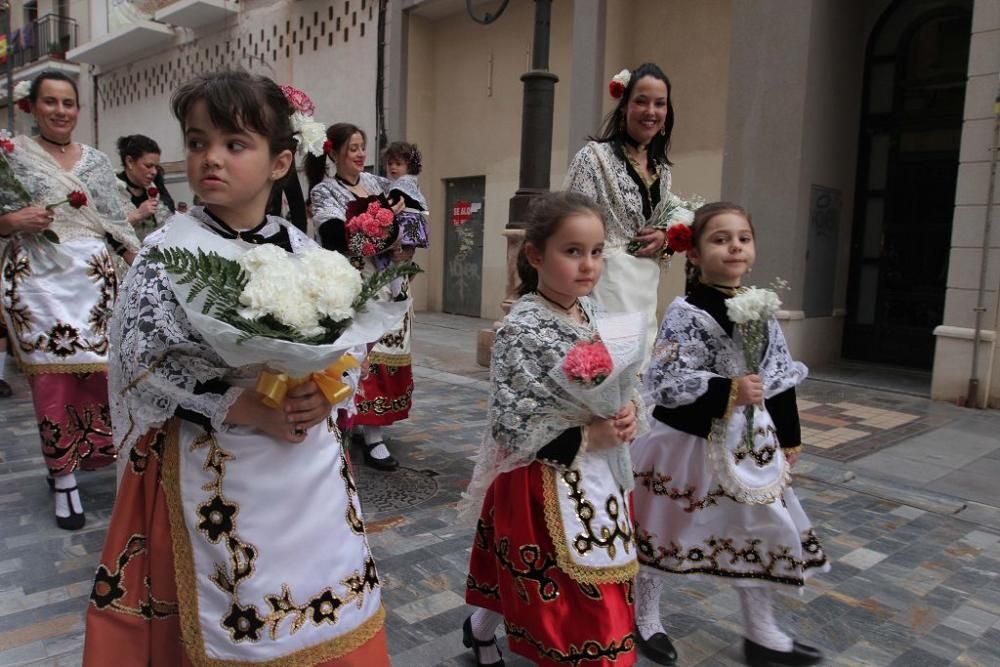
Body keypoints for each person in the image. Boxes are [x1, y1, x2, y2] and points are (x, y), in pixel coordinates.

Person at [82, 70, 389, 666]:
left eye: (234, 144)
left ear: (280, 162)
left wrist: (328, 392)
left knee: (318, 594)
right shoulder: (166, 252)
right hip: (209, 453)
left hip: (305, 465)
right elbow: (141, 360)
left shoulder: (304, 250)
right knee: (218, 607)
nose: (210, 159)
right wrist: (237, 402)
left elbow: (349, 343)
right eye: (197, 143)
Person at [629, 202, 827, 667]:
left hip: (750, 448)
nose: (734, 246)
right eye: (720, 239)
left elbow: (778, 377)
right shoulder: (686, 311)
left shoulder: (760, 308)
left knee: (762, 528)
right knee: (662, 529)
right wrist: (727, 389)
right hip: (685, 445)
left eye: (743, 237)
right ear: (694, 253)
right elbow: (664, 380)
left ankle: (762, 633)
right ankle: (646, 616)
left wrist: (789, 438)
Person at [462, 192, 642, 667]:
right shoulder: (522, 328)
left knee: (589, 576)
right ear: (536, 255)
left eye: (597, 252)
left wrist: (627, 412)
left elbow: (623, 382)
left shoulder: (597, 315)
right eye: (573, 251)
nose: (588, 265)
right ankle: (493, 635)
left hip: (600, 475)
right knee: (561, 591)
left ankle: (478, 630)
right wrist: (585, 438)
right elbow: (510, 422)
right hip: (543, 479)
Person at [0, 69, 140, 530]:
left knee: (104, 377)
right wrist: (12, 221)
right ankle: (62, 478)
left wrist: (142, 262)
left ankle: (103, 459)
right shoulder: (12, 156)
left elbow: (117, 223)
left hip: (95, 281)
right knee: (53, 381)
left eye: (68, 103)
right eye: (51, 102)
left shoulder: (97, 162)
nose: (60, 111)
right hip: (40, 282)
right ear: (32, 107)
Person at [307, 124, 411, 471]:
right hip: (351, 285)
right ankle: (340, 424)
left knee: (383, 357)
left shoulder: (380, 184)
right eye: (352, 147)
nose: (360, 153)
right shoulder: (325, 192)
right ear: (334, 153)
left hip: (388, 280)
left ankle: (374, 434)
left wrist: (404, 247)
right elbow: (337, 238)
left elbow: (410, 222)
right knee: (353, 358)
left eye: (363, 147)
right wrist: (383, 229)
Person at [564, 62, 677, 352]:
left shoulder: (662, 171)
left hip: (644, 288)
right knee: (605, 371)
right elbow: (570, 228)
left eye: (659, 104)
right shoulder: (593, 159)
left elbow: (660, 223)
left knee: (638, 375)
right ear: (624, 105)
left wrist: (665, 237)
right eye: (641, 101)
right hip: (604, 287)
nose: (651, 111)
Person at [115, 134, 175, 238]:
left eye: (156, 167)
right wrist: (138, 215)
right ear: (129, 162)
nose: (154, 172)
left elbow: (170, 214)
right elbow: (107, 232)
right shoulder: (113, 187)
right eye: (148, 166)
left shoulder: (155, 183)